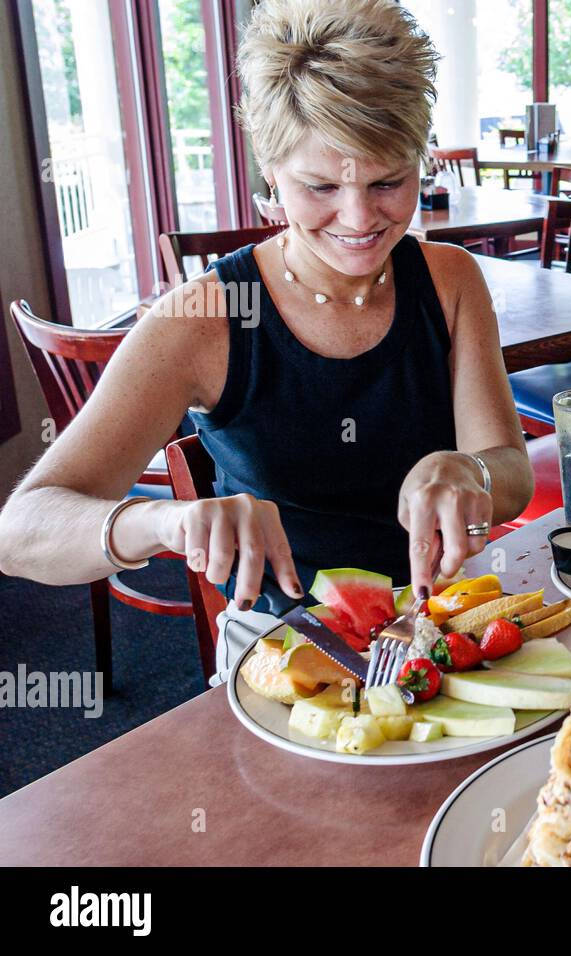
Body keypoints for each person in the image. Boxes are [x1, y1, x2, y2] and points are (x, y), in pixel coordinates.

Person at [0, 0, 532, 677]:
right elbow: (20, 531)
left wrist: (471, 471)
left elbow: (510, 472)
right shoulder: (203, 316)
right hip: (279, 652)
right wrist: (165, 522)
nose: (358, 219)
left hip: (440, 625)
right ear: (269, 169)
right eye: (319, 186)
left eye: (388, 182)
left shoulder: (450, 280)